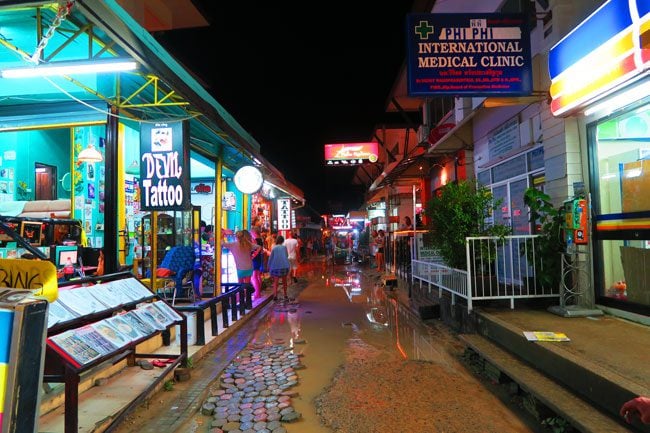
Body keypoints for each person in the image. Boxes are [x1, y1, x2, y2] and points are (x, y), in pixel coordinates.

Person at [267, 234, 290, 301]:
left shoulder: (274, 248)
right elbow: (287, 255)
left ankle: (275, 295)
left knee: (276, 282)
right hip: (284, 266)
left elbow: (271, 258)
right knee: (284, 281)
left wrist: (269, 266)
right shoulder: (284, 247)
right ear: (282, 241)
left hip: (276, 266)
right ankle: (285, 295)